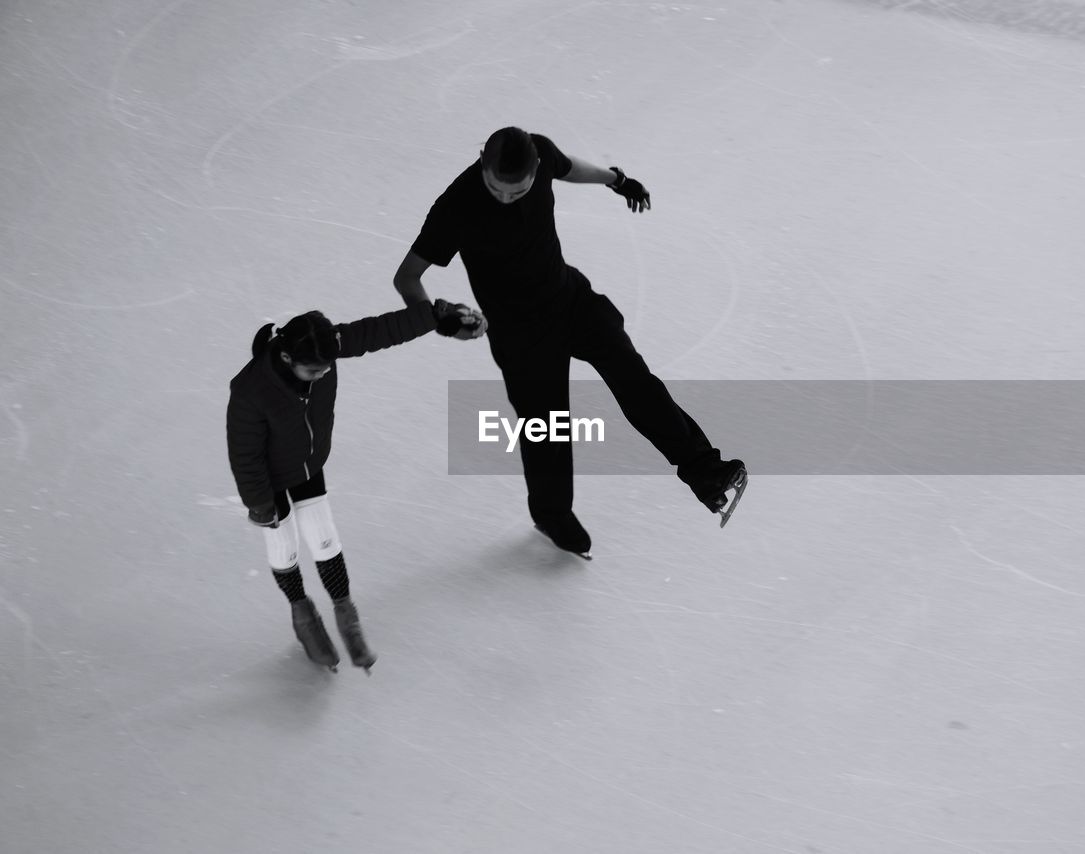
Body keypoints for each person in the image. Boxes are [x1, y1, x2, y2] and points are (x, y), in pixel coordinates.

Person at [393, 126, 746, 558]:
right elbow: (407, 276)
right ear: (482, 161)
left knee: (634, 378)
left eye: (517, 190)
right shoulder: (457, 205)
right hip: (521, 336)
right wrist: (441, 320)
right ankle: (551, 515)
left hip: (569, 299)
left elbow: (569, 166)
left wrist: (616, 179)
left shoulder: (540, 153)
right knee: (547, 432)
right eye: (495, 188)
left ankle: (704, 470)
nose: (505, 198)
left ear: (533, 171)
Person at [226, 300, 483, 670]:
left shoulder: (322, 344)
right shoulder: (250, 391)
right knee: (285, 549)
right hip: (268, 481)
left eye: (327, 368)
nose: (323, 373)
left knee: (324, 538)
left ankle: (346, 613)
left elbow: (379, 331)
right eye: (314, 371)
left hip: (307, 465)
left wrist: (433, 315)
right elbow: (244, 456)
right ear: (286, 359)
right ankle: (303, 614)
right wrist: (261, 505)